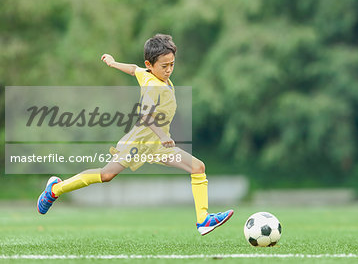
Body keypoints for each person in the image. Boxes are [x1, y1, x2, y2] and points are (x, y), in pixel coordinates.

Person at [37, 34, 233, 235]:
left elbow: (133, 69)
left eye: (172, 64)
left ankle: (203, 220)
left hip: (156, 146)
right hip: (139, 142)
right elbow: (146, 115)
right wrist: (163, 136)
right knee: (106, 175)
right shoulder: (152, 86)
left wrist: (113, 63)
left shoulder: (149, 75)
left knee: (198, 167)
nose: (168, 70)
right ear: (150, 64)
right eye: (164, 66)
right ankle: (54, 190)